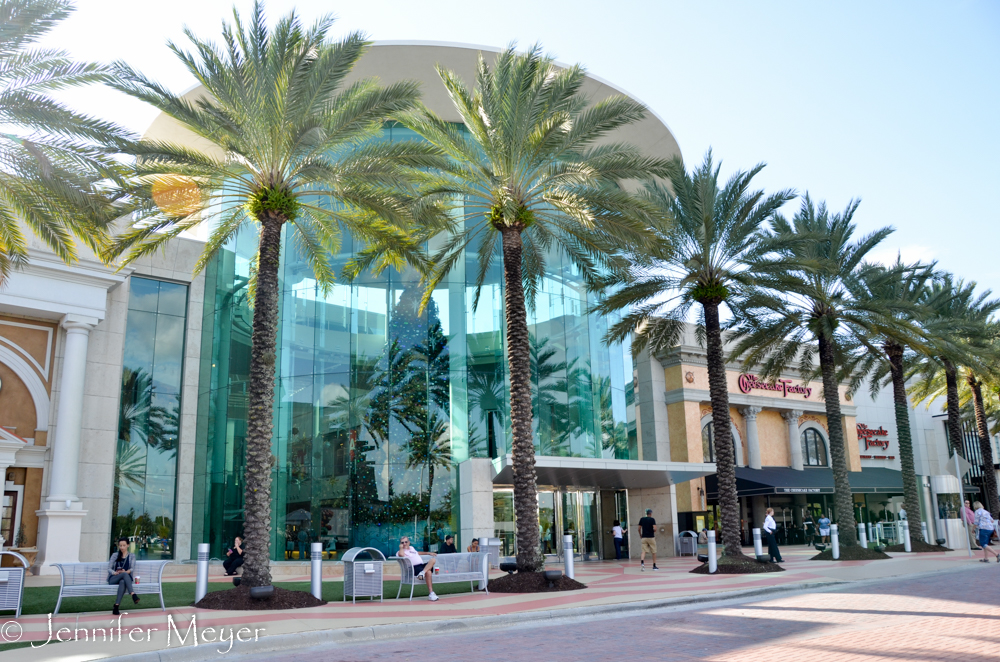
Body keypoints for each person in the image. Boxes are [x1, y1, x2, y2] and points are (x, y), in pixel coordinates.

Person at [399, 536, 439, 601]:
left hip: (421, 566)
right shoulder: (401, 552)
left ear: (409, 542)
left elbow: (417, 553)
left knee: (433, 560)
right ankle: (431, 593)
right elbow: (401, 555)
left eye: (406, 542)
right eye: (402, 542)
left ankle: (422, 573)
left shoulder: (412, 548)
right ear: (400, 544)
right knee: (428, 572)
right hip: (413, 568)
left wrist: (428, 553)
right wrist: (401, 548)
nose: (404, 544)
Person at [108, 537, 139, 615]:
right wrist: (114, 573)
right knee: (124, 574)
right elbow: (109, 568)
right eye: (120, 545)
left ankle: (116, 606)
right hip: (114, 578)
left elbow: (132, 568)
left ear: (128, 545)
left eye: (124, 545)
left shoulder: (131, 556)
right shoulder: (115, 555)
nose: (122, 547)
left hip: (125, 579)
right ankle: (133, 594)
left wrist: (126, 572)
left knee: (123, 581)